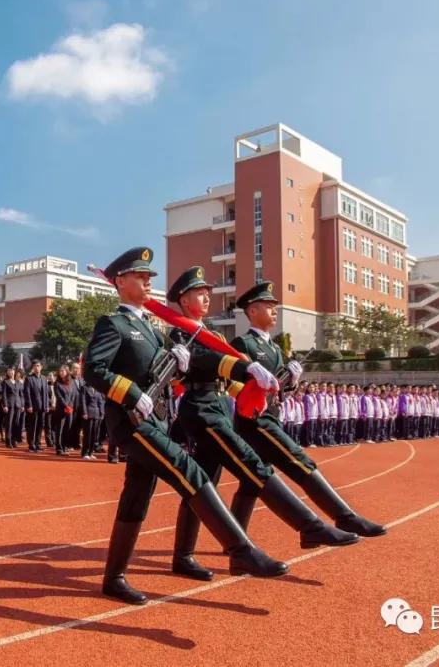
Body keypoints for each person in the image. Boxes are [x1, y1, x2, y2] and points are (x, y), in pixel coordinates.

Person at [85, 248, 290, 605]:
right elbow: (94, 370)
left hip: (157, 420)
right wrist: (131, 393)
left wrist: (178, 364)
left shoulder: (150, 328)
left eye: (150, 276)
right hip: (131, 424)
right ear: (119, 282)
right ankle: (240, 548)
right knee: (190, 472)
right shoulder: (113, 324)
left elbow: (173, 371)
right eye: (141, 276)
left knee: (137, 496)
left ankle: (114, 578)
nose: (149, 281)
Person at [165, 267, 358, 582]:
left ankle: (183, 556)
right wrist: (246, 367)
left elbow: (224, 367)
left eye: (207, 291)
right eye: (200, 292)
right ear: (184, 300)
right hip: (201, 408)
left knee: (200, 485)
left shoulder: (208, 330)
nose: (207, 296)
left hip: (217, 406)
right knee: (251, 465)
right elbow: (205, 360)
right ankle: (309, 527)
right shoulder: (180, 331)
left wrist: (274, 377)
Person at [229, 282, 386, 539]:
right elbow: (234, 384)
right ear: (253, 310)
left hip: (272, 416)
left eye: (274, 305)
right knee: (299, 460)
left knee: (251, 482)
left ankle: (233, 536)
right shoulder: (243, 343)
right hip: (255, 420)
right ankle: (345, 517)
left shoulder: (275, 348)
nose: (274, 310)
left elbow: (278, 391)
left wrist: (291, 380)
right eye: (269, 306)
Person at [23, 360, 49, 453]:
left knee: (40, 426)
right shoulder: (29, 379)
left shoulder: (44, 378)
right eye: (34, 366)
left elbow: (46, 394)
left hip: (42, 407)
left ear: (41, 367)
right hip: (33, 407)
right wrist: (29, 405)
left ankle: (38, 444)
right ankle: (31, 445)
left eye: (38, 366)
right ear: (32, 368)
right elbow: (27, 393)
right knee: (32, 426)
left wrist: (46, 406)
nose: (36, 367)